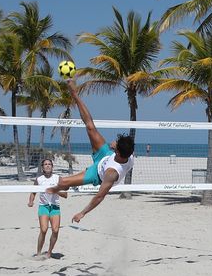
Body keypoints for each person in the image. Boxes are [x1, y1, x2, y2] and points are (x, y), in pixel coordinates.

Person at [46, 78, 135, 223]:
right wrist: (113, 147)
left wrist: (82, 213)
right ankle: (74, 94)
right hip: (105, 155)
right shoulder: (129, 152)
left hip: (97, 174)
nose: (114, 142)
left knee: (63, 182)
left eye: (116, 144)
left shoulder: (111, 174)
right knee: (90, 127)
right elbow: (121, 147)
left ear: (118, 152)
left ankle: (58, 189)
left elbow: (99, 196)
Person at [28, 158, 68, 258]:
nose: (47, 166)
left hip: (55, 207)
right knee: (44, 230)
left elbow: (65, 194)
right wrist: (31, 201)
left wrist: (55, 190)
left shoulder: (58, 178)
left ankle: (49, 252)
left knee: (55, 230)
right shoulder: (39, 179)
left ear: (52, 166)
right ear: (42, 167)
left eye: (49, 164)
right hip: (44, 206)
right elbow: (33, 191)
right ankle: (38, 253)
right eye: (45, 164)